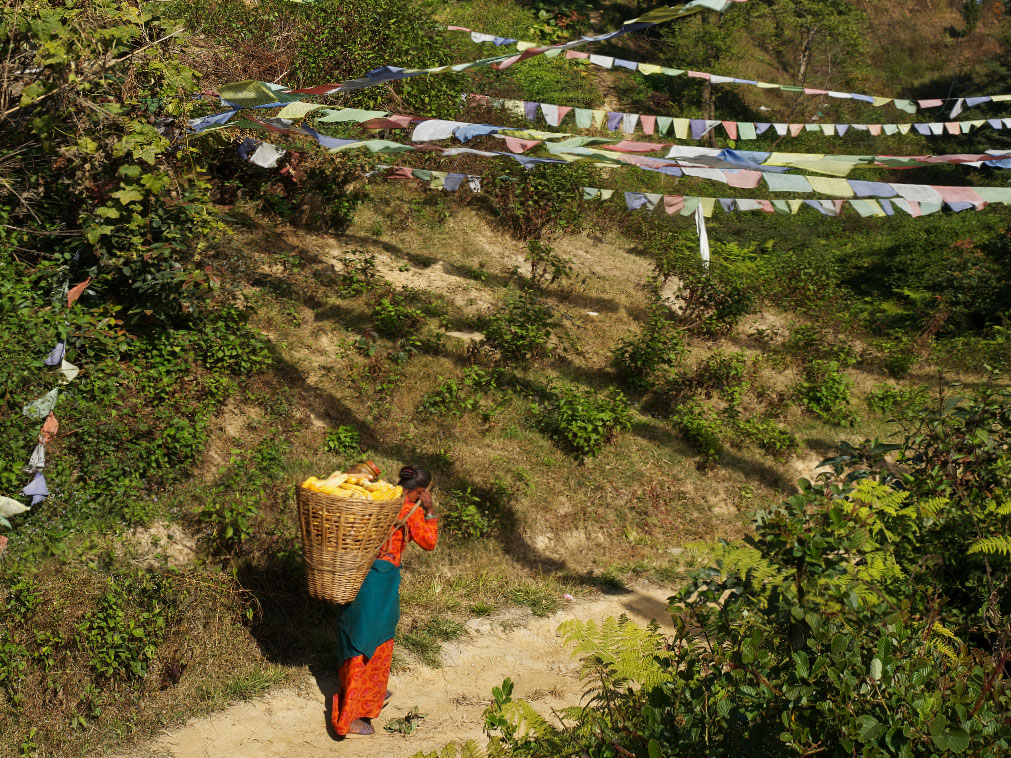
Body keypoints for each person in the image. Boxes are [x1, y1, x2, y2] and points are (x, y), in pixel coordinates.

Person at [332, 466, 438, 737]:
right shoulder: (405, 509)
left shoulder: (380, 498)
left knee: (358, 631)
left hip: (359, 572)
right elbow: (428, 541)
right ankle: (350, 717)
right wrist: (430, 511)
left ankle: (369, 693)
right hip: (379, 579)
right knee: (371, 640)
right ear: (422, 490)